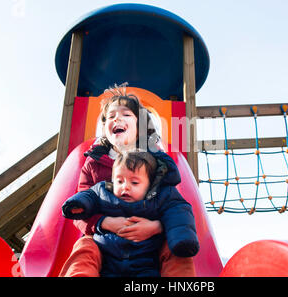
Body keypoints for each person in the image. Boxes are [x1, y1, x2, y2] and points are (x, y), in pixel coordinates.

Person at [58, 84, 197, 277]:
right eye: (111, 116)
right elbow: (81, 207)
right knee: (84, 247)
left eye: (126, 114)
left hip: (149, 245)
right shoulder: (93, 163)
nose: (117, 118)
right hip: (104, 242)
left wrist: (157, 227)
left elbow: (173, 206)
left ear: (141, 126)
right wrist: (105, 222)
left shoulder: (156, 163)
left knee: (175, 251)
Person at [62, 151, 199, 277]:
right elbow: (88, 195)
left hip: (146, 261)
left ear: (149, 185)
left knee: (175, 251)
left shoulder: (161, 195)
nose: (125, 186)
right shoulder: (103, 192)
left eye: (134, 182)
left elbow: (178, 211)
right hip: (107, 258)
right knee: (84, 245)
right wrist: (78, 204)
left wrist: (179, 238)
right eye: (119, 181)